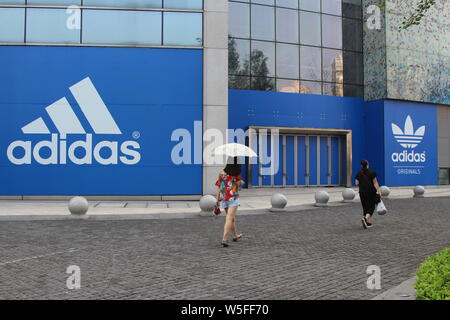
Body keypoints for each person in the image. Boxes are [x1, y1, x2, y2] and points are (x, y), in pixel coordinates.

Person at [215, 158, 245, 247]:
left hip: (224, 199)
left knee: (231, 218)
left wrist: (217, 199)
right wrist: (240, 183)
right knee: (229, 218)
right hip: (233, 199)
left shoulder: (221, 173)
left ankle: (235, 235)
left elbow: (219, 187)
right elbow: (239, 189)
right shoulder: (236, 175)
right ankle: (224, 239)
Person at [355, 160, 381, 229]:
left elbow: (356, 183)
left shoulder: (358, 173)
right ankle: (365, 219)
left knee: (365, 207)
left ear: (361, 166)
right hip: (371, 192)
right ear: (367, 165)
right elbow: (375, 183)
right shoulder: (372, 173)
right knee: (371, 208)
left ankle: (368, 223)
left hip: (362, 193)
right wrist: (378, 191)